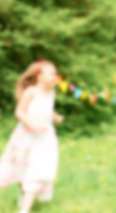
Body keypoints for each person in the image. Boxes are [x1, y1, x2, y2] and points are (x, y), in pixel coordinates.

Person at [0, 59, 64, 213]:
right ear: (39, 76)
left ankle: (25, 210)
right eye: (51, 73)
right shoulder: (31, 92)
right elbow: (19, 112)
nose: (55, 76)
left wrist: (55, 117)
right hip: (26, 136)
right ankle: (24, 197)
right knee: (24, 169)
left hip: (44, 139)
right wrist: (32, 125)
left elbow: (46, 110)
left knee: (38, 170)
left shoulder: (52, 93)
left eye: (55, 73)